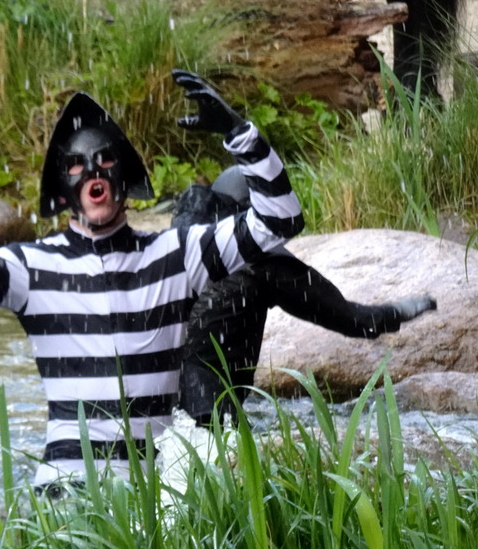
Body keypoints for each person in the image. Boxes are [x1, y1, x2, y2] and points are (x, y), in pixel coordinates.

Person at [0, 70, 304, 489]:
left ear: (125, 179)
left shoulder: (177, 255)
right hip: (66, 498)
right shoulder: (30, 268)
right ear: (63, 192)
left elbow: (282, 220)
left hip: (157, 498)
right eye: (76, 166)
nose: (93, 173)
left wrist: (240, 134)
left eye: (104, 161)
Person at [174, 166, 437, 427]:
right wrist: (399, 311)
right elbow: (354, 320)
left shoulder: (174, 246)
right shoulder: (263, 265)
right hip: (211, 415)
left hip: (155, 403)